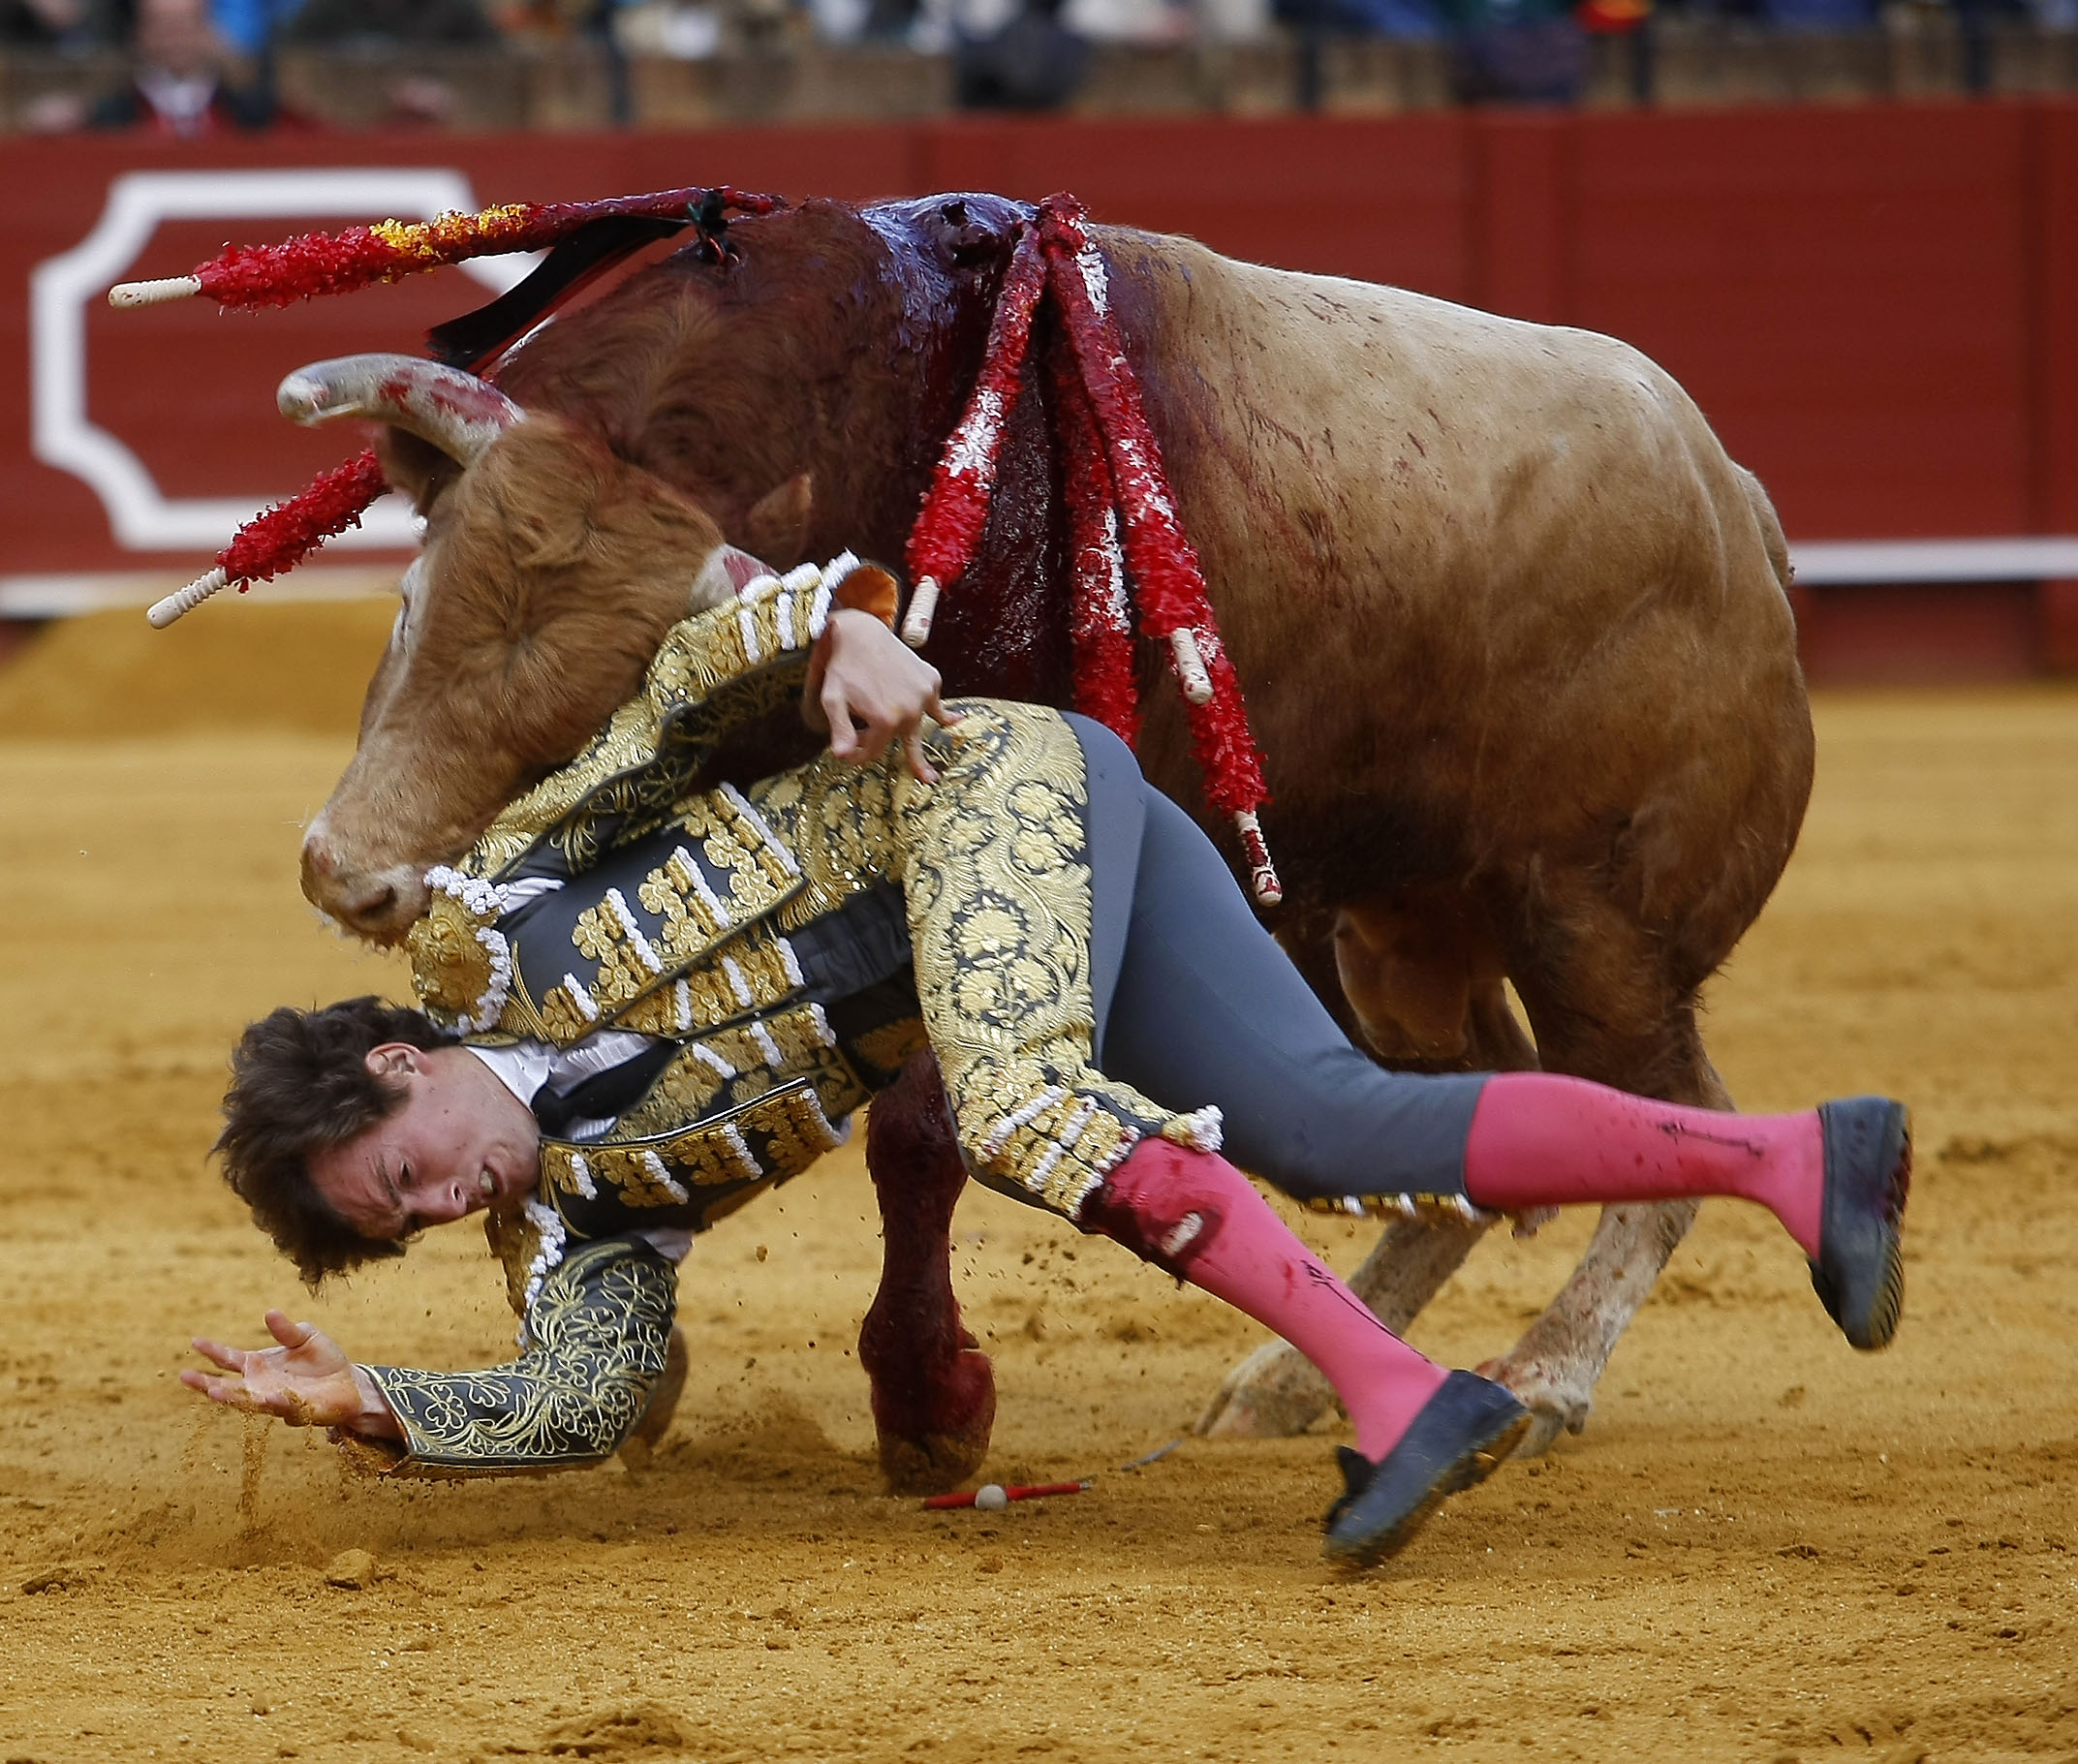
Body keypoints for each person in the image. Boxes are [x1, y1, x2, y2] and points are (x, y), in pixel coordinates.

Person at [184, 555, 1910, 1568]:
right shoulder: (582, 1225)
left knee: (1008, 1099)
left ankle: (1399, 1394)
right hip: (1053, 867)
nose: (447, 1204)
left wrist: (839, 620)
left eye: (406, 1173)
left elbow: (670, 708)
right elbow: (589, 1398)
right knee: (1323, 1118)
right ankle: (1793, 1159)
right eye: (409, 1227)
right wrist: (384, 1408)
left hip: (970, 784)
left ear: (404, 1061)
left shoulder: (483, 929)